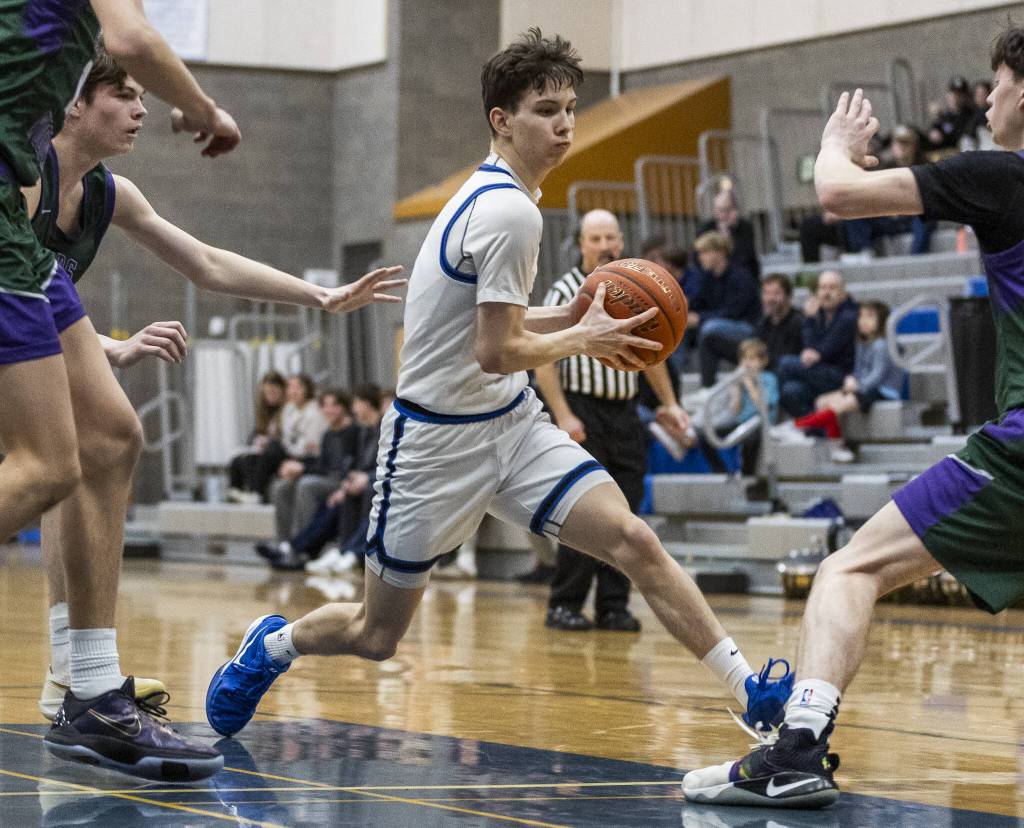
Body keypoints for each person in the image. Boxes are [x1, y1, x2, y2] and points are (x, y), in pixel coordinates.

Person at [205, 28, 792, 744]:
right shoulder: (508, 212)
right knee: (374, 634)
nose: (566, 124)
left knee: (634, 539)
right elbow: (496, 349)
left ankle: (750, 690)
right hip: (433, 445)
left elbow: (498, 325)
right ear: (501, 120)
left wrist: (574, 312)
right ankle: (272, 645)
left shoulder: (505, 198)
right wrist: (584, 337)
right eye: (547, 109)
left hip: (510, 426)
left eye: (572, 107)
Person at [19, 42, 404, 780]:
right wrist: (100, 345)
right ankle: (85, 682)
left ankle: (74, 679)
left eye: (143, 96)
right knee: (95, 443)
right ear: (77, 103)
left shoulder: (108, 194)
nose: (142, 109)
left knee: (90, 448)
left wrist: (320, 296)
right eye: (125, 94)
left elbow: (208, 261)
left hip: (24, 340)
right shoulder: (22, 182)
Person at [683, 29, 1024, 807]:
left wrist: (836, 144)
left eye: (996, 82)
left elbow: (836, 195)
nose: (991, 96)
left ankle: (798, 746)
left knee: (849, 567)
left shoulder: (1005, 176)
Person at [533, 209, 690, 632]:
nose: (605, 245)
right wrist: (563, 415)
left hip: (623, 412)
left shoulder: (637, 286)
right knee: (585, 513)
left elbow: (651, 352)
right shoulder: (567, 293)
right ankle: (564, 603)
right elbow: (545, 362)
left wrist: (670, 403)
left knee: (628, 513)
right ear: (581, 244)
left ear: (621, 240)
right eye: (596, 238)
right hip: (581, 410)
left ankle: (613, 605)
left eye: (611, 238)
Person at [792, 300, 904, 462]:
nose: (863, 321)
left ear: (882, 321)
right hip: (863, 388)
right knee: (821, 401)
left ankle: (798, 426)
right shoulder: (861, 343)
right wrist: (851, 380)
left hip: (883, 390)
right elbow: (858, 370)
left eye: (870, 316)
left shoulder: (881, 345)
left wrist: (857, 386)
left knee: (837, 406)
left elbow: (877, 376)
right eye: (861, 316)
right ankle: (837, 446)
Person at [269, 388, 357, 543]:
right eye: (325, 405)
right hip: (326, 477)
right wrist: (298, 467)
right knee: (282, 487)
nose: (328, 410)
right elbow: (321, 465)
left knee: (306, 485)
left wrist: (303, 469)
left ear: (344, 407)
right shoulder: (328, 434)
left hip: (342, 480)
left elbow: (347, 466)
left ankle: (303, 543)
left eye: (334, 405)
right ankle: (284, 542)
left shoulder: (354, 432)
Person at [777, 270, 858, 418]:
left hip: (844, 376)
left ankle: (774, 418)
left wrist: (808, 320)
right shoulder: (819, 314)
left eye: (832, 288)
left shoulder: (849, 315)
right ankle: (818, 429)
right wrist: (811, 322)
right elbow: (811, 349)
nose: (826, 293)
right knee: (790, 390)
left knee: (785, 364)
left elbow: (823, 351)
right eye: (822, 288)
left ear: (843, 292)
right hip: (820, 374)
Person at [685, 231, 760, 387]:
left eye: (705, 252)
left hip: (746, 327)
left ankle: (706, 386)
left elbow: (733, 312)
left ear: (720, 252)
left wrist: (699, 318)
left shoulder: (741, 276)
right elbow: (699, 302)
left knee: (709, 327)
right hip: (720, 325)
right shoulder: (708, 277)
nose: (700, 258)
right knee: (679, 325)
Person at [697, 338, 778, 478]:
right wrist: (737, 390)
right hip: (742, 422)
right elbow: (736, 410)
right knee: (705, 435)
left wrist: (749, 384)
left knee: (751, 439)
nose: (747, 363)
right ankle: (721, 472)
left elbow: (763, 407)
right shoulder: (740, 379)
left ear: (763, 361)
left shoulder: (768, 379)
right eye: (744, 359)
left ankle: (747, 475)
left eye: (752, 358)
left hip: (759, 424)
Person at [227, 371, 288, 501]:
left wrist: (269, 440)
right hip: (265, 450)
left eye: (273, 393)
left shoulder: (288, 410)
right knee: (239, 459)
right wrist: (257, 441)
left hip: (282, 451)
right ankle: (235, 493)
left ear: (282, 391)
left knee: (265, 456)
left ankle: (256, 494)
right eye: (267, 393)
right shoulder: (264, 412)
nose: (270, 397)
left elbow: (287, 436)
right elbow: (255, 434)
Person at [696, 187, 761, 281]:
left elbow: (746, 256)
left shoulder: (744, 227)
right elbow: (698, 257)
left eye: (727, 210)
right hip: (712, 276)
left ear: (735, 209)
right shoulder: (706, 228)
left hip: (740, 276)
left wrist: (732, 231)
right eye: (719, 210)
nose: (723, 215)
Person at [755, 273, 804, 372]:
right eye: (766, 293)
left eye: (776, 293)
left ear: (788, 296)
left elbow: (788, 359)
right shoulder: (763, 323)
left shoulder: (799, 321)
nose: (770, 298)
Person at [927, 75, 977, 151]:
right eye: (953, 93)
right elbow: (934, 130)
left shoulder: (971, 115)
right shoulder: (944, 115)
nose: (955, 97)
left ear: (965, 96)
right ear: (947, 95)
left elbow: (964, 135)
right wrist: (933, 133)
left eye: (959, 94)